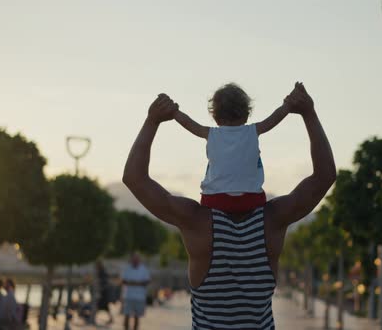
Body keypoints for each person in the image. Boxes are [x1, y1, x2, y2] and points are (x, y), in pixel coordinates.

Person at [122, 82, 336, 329]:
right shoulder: (273, 219)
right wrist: (308, 112)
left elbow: (134, 178)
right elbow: (324, 176)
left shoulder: (195, 220)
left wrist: (153, 120)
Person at [174, 83, 290, 213]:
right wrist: (287, 105)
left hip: (215, 200)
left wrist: (174, 112)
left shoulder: (210, 133)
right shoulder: (254, 130)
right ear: (246, 114)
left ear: (215, 117)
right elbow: (275, 118)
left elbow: (189, 124)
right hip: (251, 199)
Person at [120, 253, 151, 330]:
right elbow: (123, 281)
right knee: (126, 315)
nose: (135, 261)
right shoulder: (127, 268)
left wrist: (133, 283)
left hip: (140, 297)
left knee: (137, 317)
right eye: (134, 259)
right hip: (128, 296)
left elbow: (147, 282)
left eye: (136, 259)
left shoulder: (144, 269)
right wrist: (137, 283)